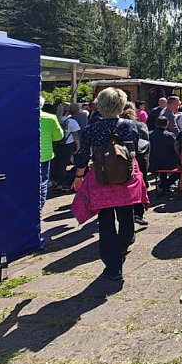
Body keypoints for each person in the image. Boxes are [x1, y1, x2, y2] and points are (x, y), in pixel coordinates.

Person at [71, 87, 148, 282]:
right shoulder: (131, 126)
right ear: (121, 105)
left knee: (105, 220)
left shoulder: (89, 130)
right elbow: (136, 150)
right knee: (126, 215)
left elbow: (82, 156)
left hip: (101, 177)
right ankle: (123, 246)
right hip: (127, 177)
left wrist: (79, 176)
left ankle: (113, 266)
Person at [122, 102, 151, 225]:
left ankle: (126, 212)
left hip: (121, 158)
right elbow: (146, 142)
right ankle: (138, 213)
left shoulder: (117, 126)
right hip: (139, 158)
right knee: (139, 185)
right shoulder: (140, 125)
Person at [51, 103, 81, 193]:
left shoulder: (56, 120)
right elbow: (76, 135)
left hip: (56, 144)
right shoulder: (71, 121)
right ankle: (61, 184)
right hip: (68, 144)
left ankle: (54, 182)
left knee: (56, 163)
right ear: (68, 111)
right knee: (63, 164)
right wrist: (78, 146)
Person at [40, 95, 64, 205]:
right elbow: (59, 136)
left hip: (25, 155)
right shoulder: (50, 118)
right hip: (44, 155)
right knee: (42, 183)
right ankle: (39, 208)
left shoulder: (22, 117)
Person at [148, 116, 180, 195]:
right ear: (167, 124)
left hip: (152, 164)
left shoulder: (149, 135)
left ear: (156, 124)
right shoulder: (170, 135)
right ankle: (164, 185)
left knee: (163, 165)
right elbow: (176, 149)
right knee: (181, 171)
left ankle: (164, 186)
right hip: (169, 164)